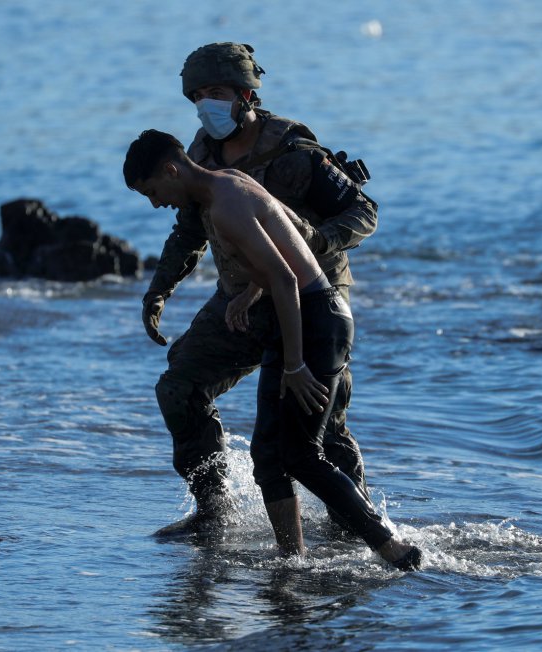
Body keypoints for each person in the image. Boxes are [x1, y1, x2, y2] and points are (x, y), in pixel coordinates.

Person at [125, 129, 421, 571]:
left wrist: (296, 364)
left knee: (303, 453)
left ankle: (392, 548)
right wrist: (247, 294)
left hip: (317, 320)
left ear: (171, 170)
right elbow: (282, 249)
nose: (156, 203)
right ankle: (292, 558)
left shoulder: (224, 204)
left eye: (152, 192)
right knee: (268, 454)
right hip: (301, 316)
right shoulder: (227, 181)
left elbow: (286, 279)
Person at [142, 42, 379, 531]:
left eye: (217, 92)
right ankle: (213, 511)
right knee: (180, 385)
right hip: (244, 300)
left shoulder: (293, 150)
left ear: (247, 94)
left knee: (323, 426)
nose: (206, 104)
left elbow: (363, 211)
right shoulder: (200, 153)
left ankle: (353, 527)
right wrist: (159, 290)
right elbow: (188, 231)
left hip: (315, 298)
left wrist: (318, 241)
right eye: (197, 96)